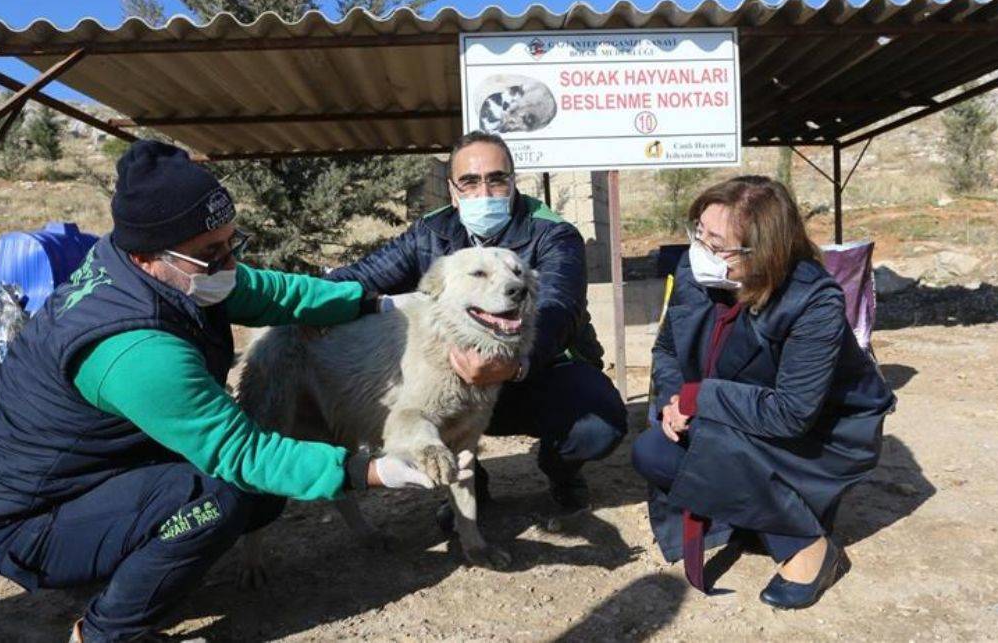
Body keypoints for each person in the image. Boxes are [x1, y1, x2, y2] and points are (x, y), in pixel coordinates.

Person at [0, 141, 435, 643]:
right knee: (223, 493)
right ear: (147, 255)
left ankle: (143, 562)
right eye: (213, 253)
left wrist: (371, 303)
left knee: (256, 498)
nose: (228, 262)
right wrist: (370, 470)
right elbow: (240, 452)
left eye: (232, 242)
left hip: (92, 475)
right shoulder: (136, 349)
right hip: (31, 524)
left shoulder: (172, 272)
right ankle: (104, 633)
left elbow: (273, 293)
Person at [327, 131, 627, 513]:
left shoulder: (553, 233)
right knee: (421, 394)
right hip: (457, 381)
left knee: (597, 425)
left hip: (537, 371)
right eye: (469, 181)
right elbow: (361, 278)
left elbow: (557, 307)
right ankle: (470, 484)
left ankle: (562, 471)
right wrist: (297, 304)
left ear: (513, 182)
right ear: (453, 191)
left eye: (496, 179)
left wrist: (515, 365)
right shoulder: (430, 233)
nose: (483, 191)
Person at [631, 175, 895, 610]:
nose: (702, 251)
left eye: (718, 244)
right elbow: (668, 348)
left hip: (818, 438)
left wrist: (702, 399)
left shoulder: (812, 301)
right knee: (656, 451)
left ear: (764, 252)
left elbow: (793, 412)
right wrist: (676, 401)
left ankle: (807, 544)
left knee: (685, 452)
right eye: (699, 233)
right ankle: (764, 511)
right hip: (737, 416)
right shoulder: (698, 270)